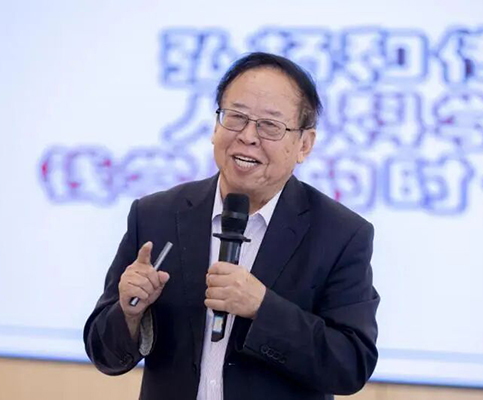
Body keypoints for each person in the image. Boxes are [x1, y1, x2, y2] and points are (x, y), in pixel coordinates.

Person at [84, 52, 379, 400]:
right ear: (215, 127)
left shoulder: (341, 234)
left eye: (269, 125)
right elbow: (105, 354)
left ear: (304, 144)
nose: (248, 136)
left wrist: (263, 308)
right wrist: (129, 314)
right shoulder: (155, 215)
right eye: (236, 117)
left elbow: (350, 365)